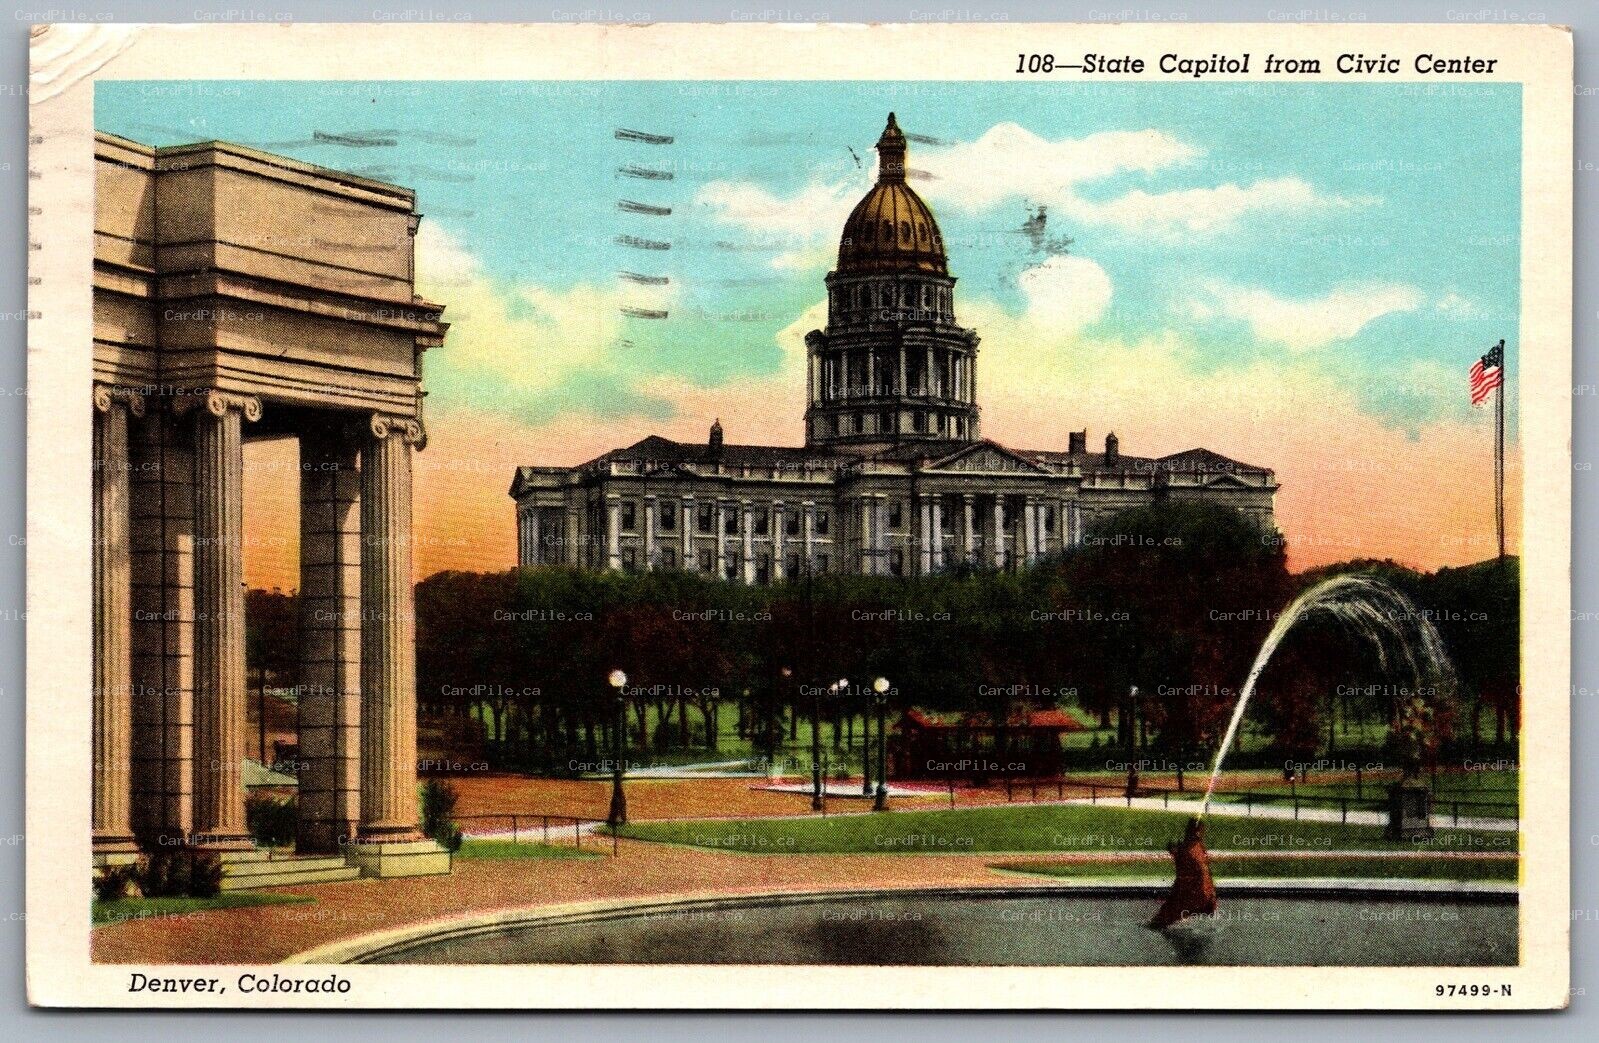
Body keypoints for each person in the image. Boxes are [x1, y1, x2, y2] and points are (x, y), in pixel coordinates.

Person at [1148, 816, 1217, 930]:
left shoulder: (1190, 849)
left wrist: (1175, 851)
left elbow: (1188, 863)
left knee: (1161, 921)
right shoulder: (1197, 848)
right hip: (1201, 893)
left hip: (1190, 893)